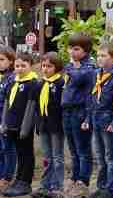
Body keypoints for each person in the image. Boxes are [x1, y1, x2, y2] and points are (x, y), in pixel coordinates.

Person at [62, 33, 97, 198]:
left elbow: (78, 79)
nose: (71, 52)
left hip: (81, 112)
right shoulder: (72, 65)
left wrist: (87, 118)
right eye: (70, 48)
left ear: (86, 50)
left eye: (76, 49)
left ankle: (83, 181)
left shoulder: (89, 67)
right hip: (68, 111)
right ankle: (74, 178)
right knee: (73, 149)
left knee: (83, 150)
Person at [0, 52, 39, 197]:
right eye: (17, 66)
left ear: (31, 66)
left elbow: (30, 107)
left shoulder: (33, 83)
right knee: (20, 153)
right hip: (12, 125)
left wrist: (25, 127)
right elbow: (7, 104)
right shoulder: (14, 82)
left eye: (24, 65)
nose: (20, 68)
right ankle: (19, 179)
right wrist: (4, 122)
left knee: (27, 153)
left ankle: (25, 182)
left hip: (24, 127)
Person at [90, 43, 113, 198]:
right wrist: (87, 118)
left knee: (111, 157)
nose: (100, 59)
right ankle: (101, 187)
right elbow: (91, 98)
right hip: (96, 118)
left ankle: (111, 190)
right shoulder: (97, 74)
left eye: (104, 56)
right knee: (100, 156)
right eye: (98, 56)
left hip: (108, 120)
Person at [35, 52, 66, 198]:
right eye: (43, 66)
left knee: (57, 157)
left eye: (49, 66)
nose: (45, 69)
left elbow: (63, 105)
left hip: (57, 126)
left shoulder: (61, 83)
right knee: (47, 157)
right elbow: (37, 107)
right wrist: (37, 124)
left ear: (57, 67)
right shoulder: (40, 83)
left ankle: (57, 186)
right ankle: (45, 185)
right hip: (43, 125)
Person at [0, 48, 16, 194]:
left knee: (7, 149)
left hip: (6, 117)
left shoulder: (12, 78)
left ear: (10, 61)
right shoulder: (2, 77)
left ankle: (7, 177)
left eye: (2, 60)